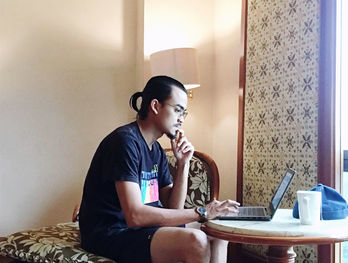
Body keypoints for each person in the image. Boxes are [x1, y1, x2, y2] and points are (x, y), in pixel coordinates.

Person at [79, 75, 240, 263]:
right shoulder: (124, 142)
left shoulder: (156, 150)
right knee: (196, 240)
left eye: (184, 113)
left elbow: (174, 208)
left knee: (218, 230)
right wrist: (202, 212)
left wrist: (183, 164)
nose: (181, 119)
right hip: (111, 232)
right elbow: (135, 216)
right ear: (155, 106)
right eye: (178, 110)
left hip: (142, 229)